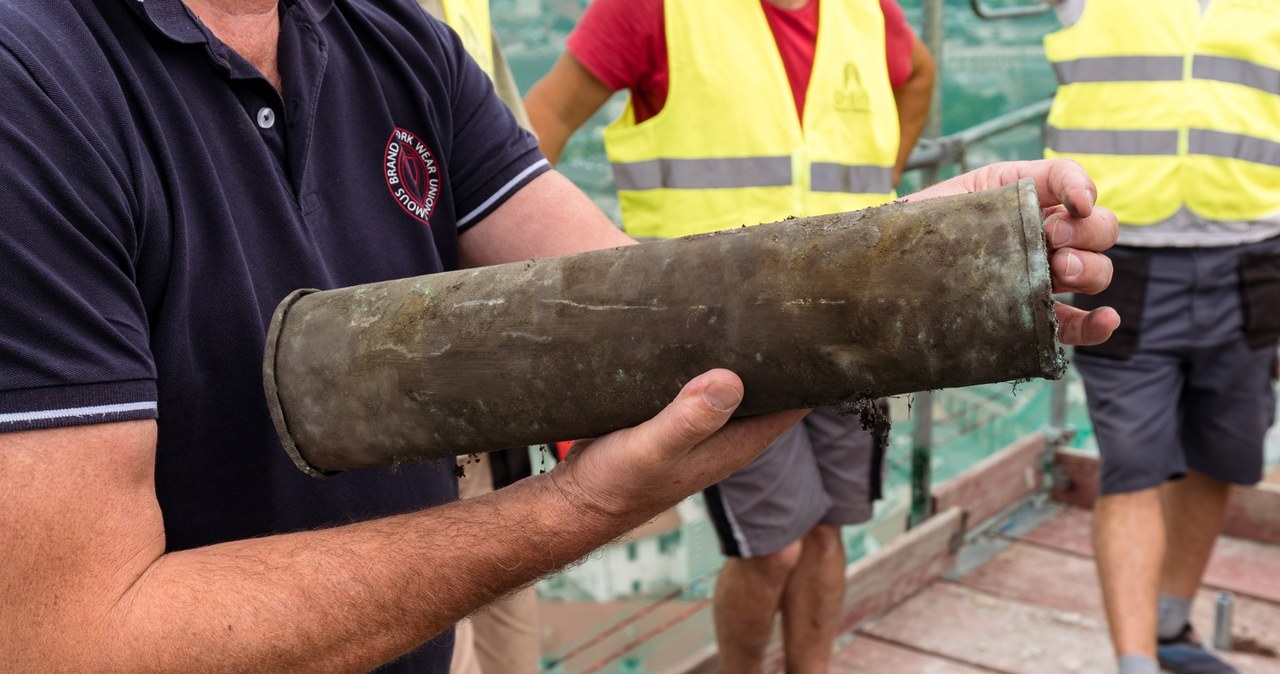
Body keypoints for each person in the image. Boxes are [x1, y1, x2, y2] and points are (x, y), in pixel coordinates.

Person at [0, 1, 1118, 672]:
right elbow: (75, 640)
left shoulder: (396, 41)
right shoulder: (31, 78)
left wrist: (921, 260)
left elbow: (639, 314)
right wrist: (572, 507)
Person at [522, 1, 933, 671]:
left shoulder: (867, 11)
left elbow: (918, 72)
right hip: (716, 338)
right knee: (772, 550)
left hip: (851, 316)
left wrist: (882, 184)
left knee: (828, 533)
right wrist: (542, 270)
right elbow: (547, 117)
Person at [1044, 2, 1280, 674]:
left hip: (1256, 255)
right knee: (1133, 462)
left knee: (1223, 451)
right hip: (1126, 256)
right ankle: (1136, 662)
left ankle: (1171, 626)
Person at [411, 1, 544, 672]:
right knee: (437, 615)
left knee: (503, 601)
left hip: (484, 361)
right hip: (411, 375)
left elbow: (517, 162)